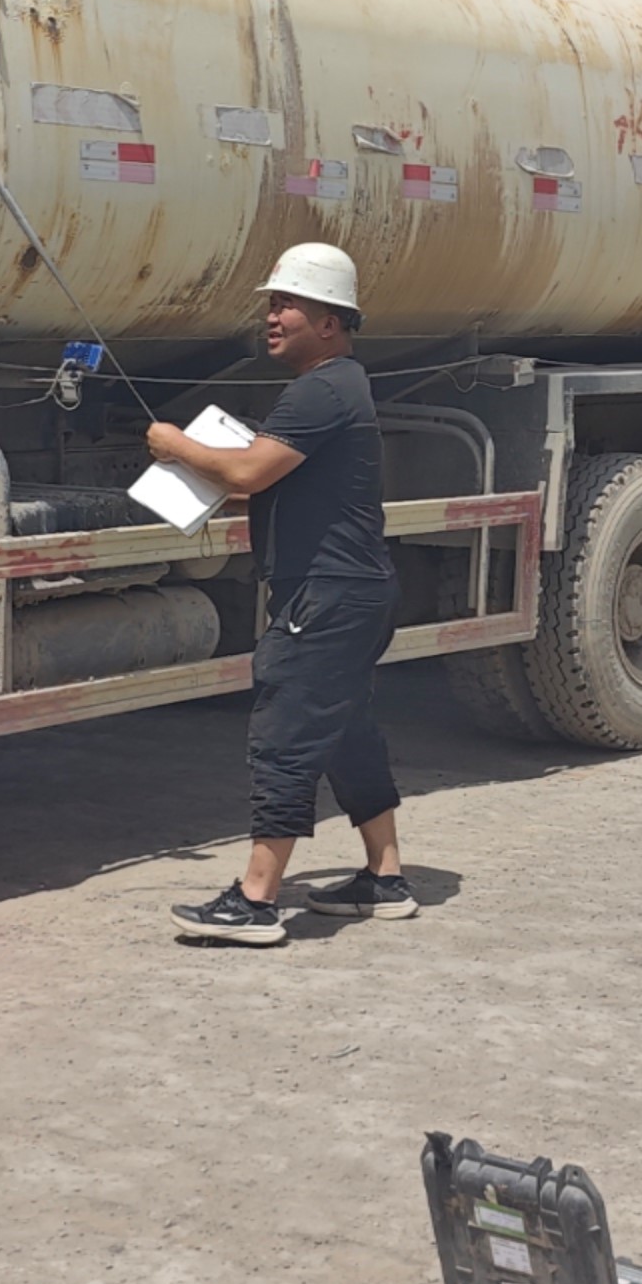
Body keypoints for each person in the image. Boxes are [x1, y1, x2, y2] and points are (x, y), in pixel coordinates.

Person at [149, 242, 418, 944]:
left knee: (285, 734)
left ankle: (256, 900)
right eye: (271, 304)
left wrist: (174, 445)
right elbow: (269, 482)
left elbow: (248, 473)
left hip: (327, 596)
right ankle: (385, 878)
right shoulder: (339, 386)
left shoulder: (319, 391)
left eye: (288, 305)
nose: (272, 317)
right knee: (344, 729)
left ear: (330, 322)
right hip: (351, 590)